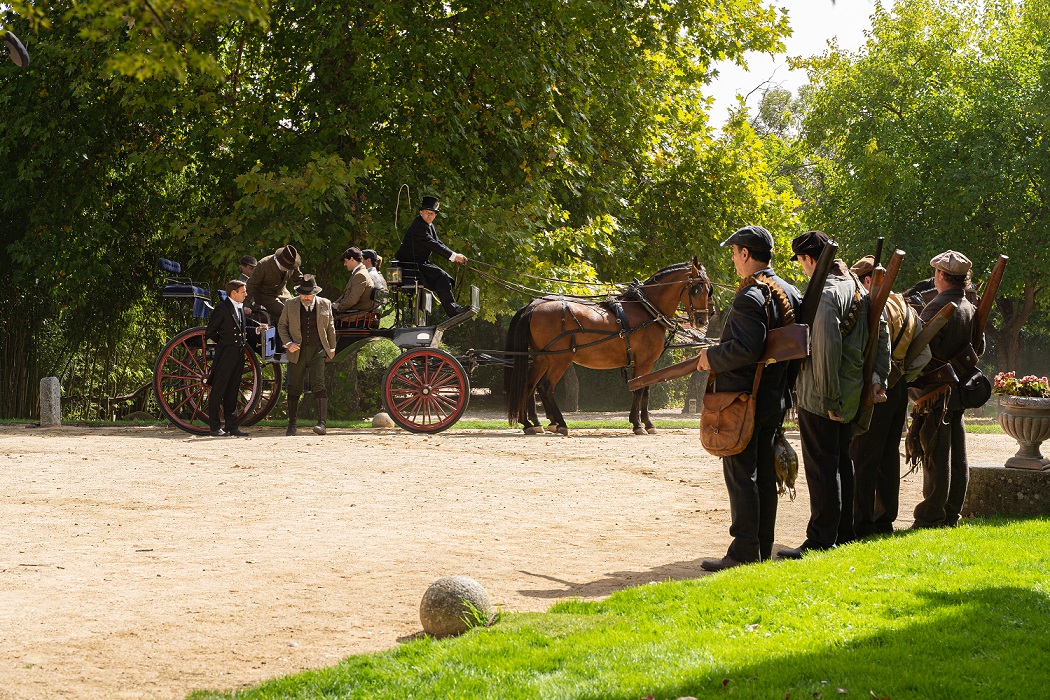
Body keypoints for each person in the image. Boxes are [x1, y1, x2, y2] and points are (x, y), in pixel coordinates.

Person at [695, 226, 802, 571]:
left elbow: (746, 349)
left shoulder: (750, 297)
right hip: (774, 399)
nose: (732, 259)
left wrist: (711, 357)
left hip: (745, 402)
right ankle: (760, 546)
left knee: (742, 476)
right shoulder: (789, 291)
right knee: (762, 476)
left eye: (734, 252)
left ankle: (743, 551)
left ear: (745, 255)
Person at [778, 231, 890, 559]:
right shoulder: (856, 287)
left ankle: (821, 539)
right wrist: (876, 378)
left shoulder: (827, 294)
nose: (801, 269)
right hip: (851, 390)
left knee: (821, 466)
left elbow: (827, 346)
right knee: (842, 462)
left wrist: (828, 398)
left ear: (810, 259)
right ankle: (843, 532)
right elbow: (880, 332)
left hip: (824, 394)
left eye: (800, 261)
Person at [848, 255, 931, 537]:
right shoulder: (905, 306)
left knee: (864, 456)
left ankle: (862, 524)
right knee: (886, 457)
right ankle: (884, 520)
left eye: (857, 283)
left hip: (875, 389)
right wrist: (902, 378)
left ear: (868, 280)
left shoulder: (873, 306)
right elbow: (924, 354)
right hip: (897, 388)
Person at [908, 251, 983, 528]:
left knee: (936, 453)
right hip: (957, 387)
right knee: (956, 452)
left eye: (936, 274)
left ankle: (932, 515)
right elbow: (980, 348)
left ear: (941, 275)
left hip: (935, 391)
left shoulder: (938, 306)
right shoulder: (970, 305)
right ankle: (951, 512)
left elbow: (918, 351)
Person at [204, 280, 268, 437]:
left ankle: (231, 425)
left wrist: (257, 330)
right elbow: (210, 332)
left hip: (239, 353)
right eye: (243, 291)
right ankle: (214, 427)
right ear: (234, 293)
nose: (246, 294)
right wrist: (224, 343)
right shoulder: (221, 309)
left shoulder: (239, 308)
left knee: (233, 389)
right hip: (226, 354)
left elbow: (242, 330)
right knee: (219, 389)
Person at [278, 275, 337, 436]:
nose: (305, 297)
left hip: (317, 350)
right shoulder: (290, 304)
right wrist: (288, 344)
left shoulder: (325, 303)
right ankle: (292, 425)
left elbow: (330, 327)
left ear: (315, 293)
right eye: (303, 294)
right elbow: (282, 326)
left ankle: (322, 424)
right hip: (296, 351)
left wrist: (332, 347)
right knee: (294, 386)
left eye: (309, 294)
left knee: (319, 383)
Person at [393, 196, 469, 317]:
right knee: (442, 277)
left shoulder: (429, 225)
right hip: (409, 264)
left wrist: (455, 256)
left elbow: (438, 243)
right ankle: (452, 311)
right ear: (421, 212)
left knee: (445, 278)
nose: (429, 215)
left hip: (420, 262)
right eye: (427, 212)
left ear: (435, 215)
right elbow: (431, 244)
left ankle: (453, 309)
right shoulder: (418, 226)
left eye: (432, 213)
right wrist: (454, 256)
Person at [246, 245, 305, 324]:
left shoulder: (292, 263)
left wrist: (308, 294)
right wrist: (245, 305)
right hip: (265, 296)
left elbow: (299, 279)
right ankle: (283, 334)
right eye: (286, 267)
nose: (288, 269)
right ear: (279, 261)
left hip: (282, 293)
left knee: (297, 310)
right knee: (286, 313)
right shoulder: (263, 265)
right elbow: (251, 285)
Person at [331, 247, 375, 314]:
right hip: (352, 312)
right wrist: (334, 304)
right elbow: (346, 295)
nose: (345, 264)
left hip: (355, 315)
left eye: (346, 261)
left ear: (352, 259)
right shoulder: (359, 272)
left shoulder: (360, 275)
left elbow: (352, 299)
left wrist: (339, 307)